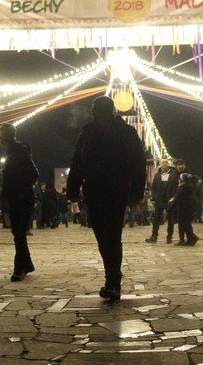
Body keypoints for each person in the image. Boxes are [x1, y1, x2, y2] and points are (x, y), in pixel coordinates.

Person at [66, 95, 147, 301]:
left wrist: (137, 191)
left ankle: (113, 280)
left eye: (98, 110)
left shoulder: (126, 133)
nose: (95, 114)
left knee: (112, 235)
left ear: (109, 111)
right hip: (94, 190)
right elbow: (77, 163)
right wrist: (73, 188)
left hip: (116, 189)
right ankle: (112, 272)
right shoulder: (87, 134)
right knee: (101, 235)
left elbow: (138, 163)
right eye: (94, 111)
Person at [0, 123, 39, 280]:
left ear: (4, 137)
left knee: (19, 233)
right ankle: (26, 264)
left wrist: (20, 187)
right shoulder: (13, 151)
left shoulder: (18, 151)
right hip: (17, 196)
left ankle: (20, 268)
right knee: (18, 232)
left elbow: (33, 173)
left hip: (21, 197)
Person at [145, 158, 179, 244]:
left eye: (166, 162)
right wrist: (155, 196)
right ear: (160, 164)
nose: (165, 163)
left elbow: (176, 187)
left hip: (170, 200)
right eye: (163, 162)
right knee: (156, 219)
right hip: (159, 200)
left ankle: (169, 237)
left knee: (170, 220)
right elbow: (153, 187)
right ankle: (154, 236)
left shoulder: (173, 174)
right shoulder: (157, 175)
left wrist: (174, 197)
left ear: (168, 163)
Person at [170, 172, 199, 246]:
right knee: (187, 224)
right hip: (189, 208)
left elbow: (177, 198)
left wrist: (171, 205)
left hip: (183, 209)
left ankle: (191, 238)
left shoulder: (181, 188)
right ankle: (189, 240)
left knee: (183, 225)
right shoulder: (189, 186)